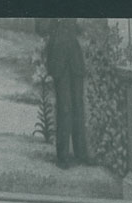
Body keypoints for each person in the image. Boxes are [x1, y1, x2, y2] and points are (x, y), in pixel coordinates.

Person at [40, 19, 88, 168]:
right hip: (59, 59)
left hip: (75, 59)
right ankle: (63, 157)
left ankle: (81, 154)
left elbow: (81, 27)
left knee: (78, 107)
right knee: (64, 108)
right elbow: (40, 27)